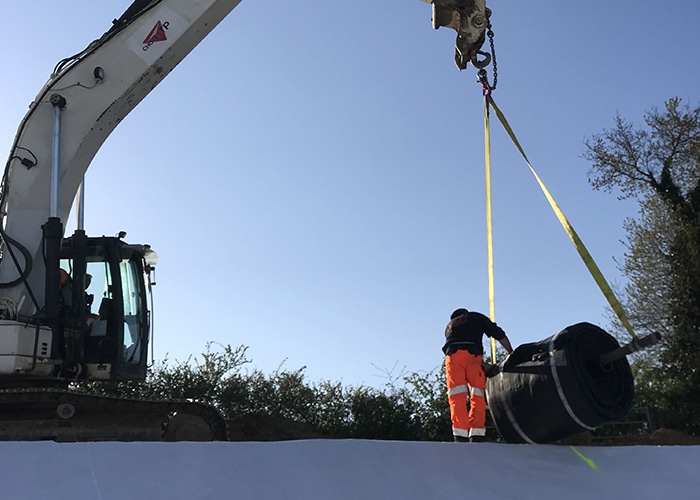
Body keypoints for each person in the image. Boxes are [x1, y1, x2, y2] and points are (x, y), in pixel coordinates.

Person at [442, 308, 513, 443]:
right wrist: (511, 352)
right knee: (478, 395)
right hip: (473, 356)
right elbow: (498, 333)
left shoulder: (449, 327)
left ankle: (460, 435)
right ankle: (477, 434)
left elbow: (461, 350)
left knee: (456, 396)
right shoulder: (475, 317)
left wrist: (482, 364)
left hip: (452, 358)